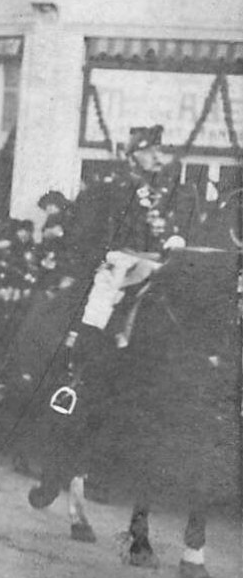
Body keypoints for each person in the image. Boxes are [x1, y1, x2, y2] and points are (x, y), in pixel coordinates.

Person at [58, 125, 197, 396]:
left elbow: (176, 226)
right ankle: (75, 375)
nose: (158, 156)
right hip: (124, 259)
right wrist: (108, 253)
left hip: (161, 262)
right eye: (149, 151)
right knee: (101, 299)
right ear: (133, 156)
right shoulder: (117, 187)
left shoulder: (173, 190)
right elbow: (101, 229)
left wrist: (177, 241)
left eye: (159, 149)